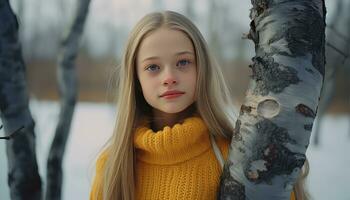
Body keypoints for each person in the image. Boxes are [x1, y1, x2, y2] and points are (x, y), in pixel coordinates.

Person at [90, 10, 308, 200]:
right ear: (135, 79)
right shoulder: (113, 165)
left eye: (183, 62)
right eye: (153, 67)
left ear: (201, 69)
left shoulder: (238, 156)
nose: (169, 77)